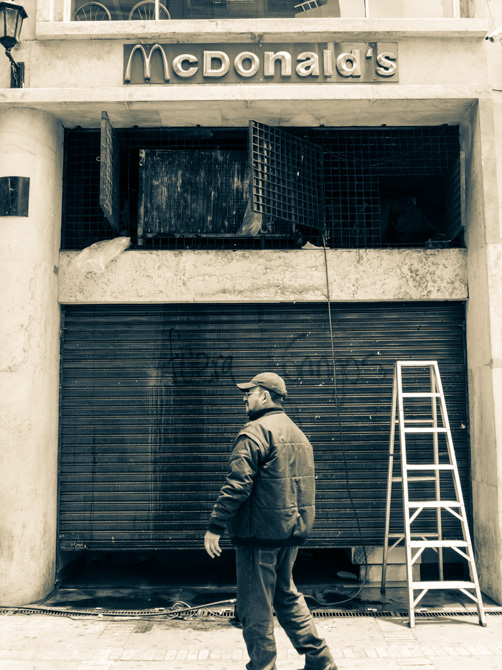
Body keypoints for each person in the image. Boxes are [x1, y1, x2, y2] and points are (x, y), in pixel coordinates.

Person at [204, 372, 337, 670]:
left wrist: (215, 525)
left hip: (259, 537)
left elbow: (237, 485)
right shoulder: (298, 434)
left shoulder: (255, 433)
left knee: (254, 607)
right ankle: (321, 662)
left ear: (264, 396)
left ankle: (263, 667)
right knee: (285, 596)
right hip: (288, 534)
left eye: (249, 393)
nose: (245, 398)